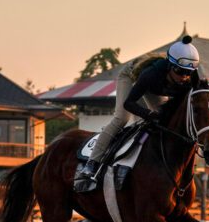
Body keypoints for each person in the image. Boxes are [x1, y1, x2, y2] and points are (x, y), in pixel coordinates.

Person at [76, 35, 200, 184]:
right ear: (169, 66)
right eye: (180, 71)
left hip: (157, 87)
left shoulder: (190, 80)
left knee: (164, 120)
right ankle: (92, 163)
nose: (184, 77)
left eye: (189, 72)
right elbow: (129, 103)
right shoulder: (150, 75)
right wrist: (148, 114)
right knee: (122, 118)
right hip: (130, 76)